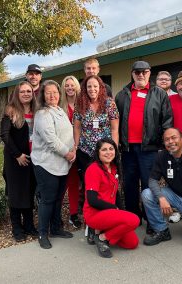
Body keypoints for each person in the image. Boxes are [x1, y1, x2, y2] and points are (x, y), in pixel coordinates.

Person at [115, 61, 173, 229]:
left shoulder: (159, 93)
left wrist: (164, 145)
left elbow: (167, 120)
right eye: (137, 72)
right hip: (127, 149)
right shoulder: (122, 94)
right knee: (130, 183)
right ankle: (134, 217)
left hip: (150, 148)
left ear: (149, 73)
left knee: (149, 184)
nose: (140, 75)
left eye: (144, 72)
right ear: (132, 74)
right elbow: (116, 121)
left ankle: (151, 219)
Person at [74, 74, 119, 244]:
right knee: (89, 189)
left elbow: (114, 128)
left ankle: (106, 220)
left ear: (100, 87)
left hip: (105, 153)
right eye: (89, 87)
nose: (92, 89)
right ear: (85, 89)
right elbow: (77, 128)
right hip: (86, 152)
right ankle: (91, 223)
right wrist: (76, 146)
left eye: (95, 86)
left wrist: (114, 149)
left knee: (107, 187)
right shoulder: (81, 104)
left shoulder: (109, 103)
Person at [31, 80, 76, 249]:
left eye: (55, 92)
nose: (52, 96)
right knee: (48, 199)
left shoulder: (60, 111)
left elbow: (68, 133)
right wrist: (68, 153)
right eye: (48, 93)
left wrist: (73, 150)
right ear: (42, 95)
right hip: (46, 164)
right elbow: (51, 139)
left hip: (62, 163)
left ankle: (56, 228)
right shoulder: (43, 114)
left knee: (58, 199)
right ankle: (42, 233)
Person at [84, 138, 140, 258]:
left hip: (110, 213)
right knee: (134, 220)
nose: (108, 152)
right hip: (95, 214)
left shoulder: (114, 167)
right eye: (104, 150)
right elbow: (92, 200)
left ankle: (104, 232)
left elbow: (116, 194)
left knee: (132, 243)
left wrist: (121, 212)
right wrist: (114, 208)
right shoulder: (93, 169)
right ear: (98, 153)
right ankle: (101, 237)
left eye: (111, 149)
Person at [0, 81, 38, 242]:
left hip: (33, 157)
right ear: (17, 93)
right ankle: (17, 227)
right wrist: (17, 155)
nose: (26, 94)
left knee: (29, 191)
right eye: (23, 91)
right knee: (16, 193)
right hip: (15, 159)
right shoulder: (11, 111)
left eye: (29, 91)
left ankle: (29, 225)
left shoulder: (37, 111)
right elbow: (5, 135)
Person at [60, 75, 82, 228]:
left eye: (72, 85)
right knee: (61, 183)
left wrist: (77, 147)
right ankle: (56, 214)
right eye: (66, 85)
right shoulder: (59, 105)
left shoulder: (82, 104)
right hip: (62, 149)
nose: (69, 88)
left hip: (79, 149)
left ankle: (73, 214)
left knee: (74, 183)